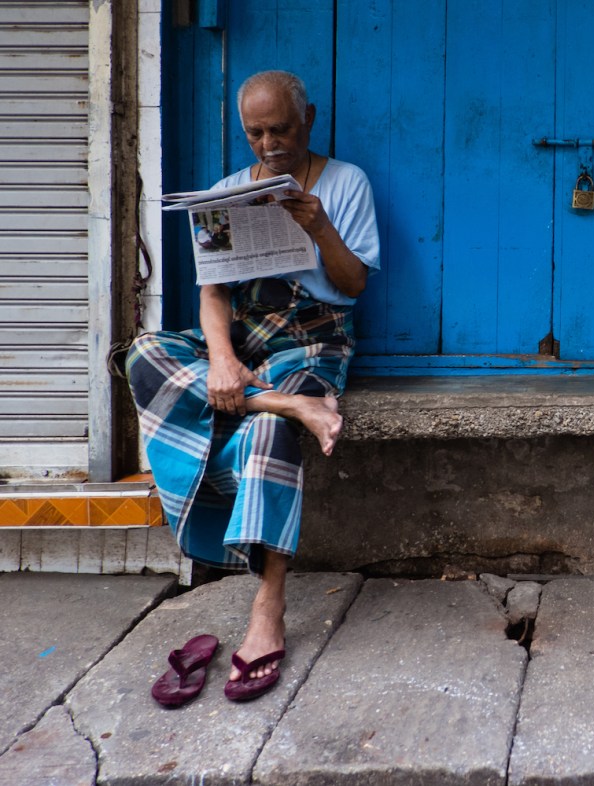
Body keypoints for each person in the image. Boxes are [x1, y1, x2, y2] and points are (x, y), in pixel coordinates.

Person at [128, 70, 379, 703]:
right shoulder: (227, 193)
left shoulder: (346, 183)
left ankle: (267, 610)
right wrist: (219, 360)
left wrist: (319, 227)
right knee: (143, 352)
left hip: (313, 340)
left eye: (281, 129)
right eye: (256, 132)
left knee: (266, 430)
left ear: (309, 120)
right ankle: (293, 404)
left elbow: (354, 286)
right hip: (242, 341)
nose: (269, 144)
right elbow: (212, 295)